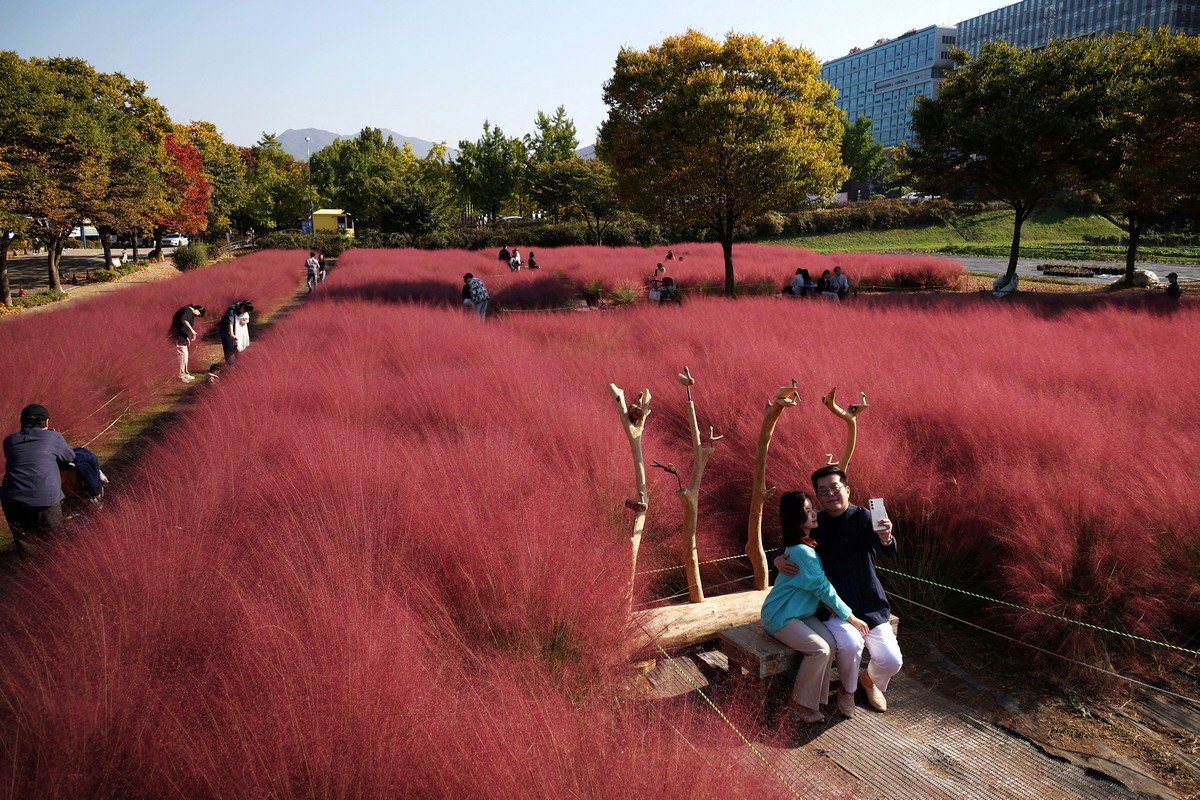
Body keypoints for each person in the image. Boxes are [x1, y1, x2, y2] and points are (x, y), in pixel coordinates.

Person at [777, 466, 901, 716]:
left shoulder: (864, 518)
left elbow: (885, 547)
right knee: (850, 643)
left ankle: (869, 681)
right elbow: (793, 543)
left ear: (847, 490)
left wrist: (887, 538)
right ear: (818, 497)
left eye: (835, 488)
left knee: (891, 660)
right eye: (823, 491)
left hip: (870, 604)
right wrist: (777, 558)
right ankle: (847, 691)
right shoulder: (815, 522)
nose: (830, 494)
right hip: (832, 608)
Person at [762, 491, 869, 723]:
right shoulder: (802, 552)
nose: (814, 513)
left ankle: (814, 702)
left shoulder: (804, 544)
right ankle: (800, 705)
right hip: (781, 616)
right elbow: (823, 588)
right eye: (807, 511)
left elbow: (816, 588)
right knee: (819, 649)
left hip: (802, 613)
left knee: (829, 644)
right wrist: (851, 618)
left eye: (812, 508)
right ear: (795, 519)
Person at [1, 404, 77, 556]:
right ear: (46, 423)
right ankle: (55, 569)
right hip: (46, 499)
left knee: (26, 543)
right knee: (57, 542)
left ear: (21, 422)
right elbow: (70, 457)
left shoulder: (9, 441)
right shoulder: (53, 437)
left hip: (13, 501)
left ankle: (31, 569)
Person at [169, 303, 206, 382]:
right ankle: (181, 375)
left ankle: (185, 373)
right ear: (198, 310)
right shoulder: (187, 310)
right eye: (199, 315)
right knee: (182, 355)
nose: (197, 317)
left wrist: (186, 337)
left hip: (182, 336)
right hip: (177, 335)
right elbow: (183, 319)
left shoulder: (188, 311)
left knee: (185, 355)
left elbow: (183, 325)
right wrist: (192, 331)